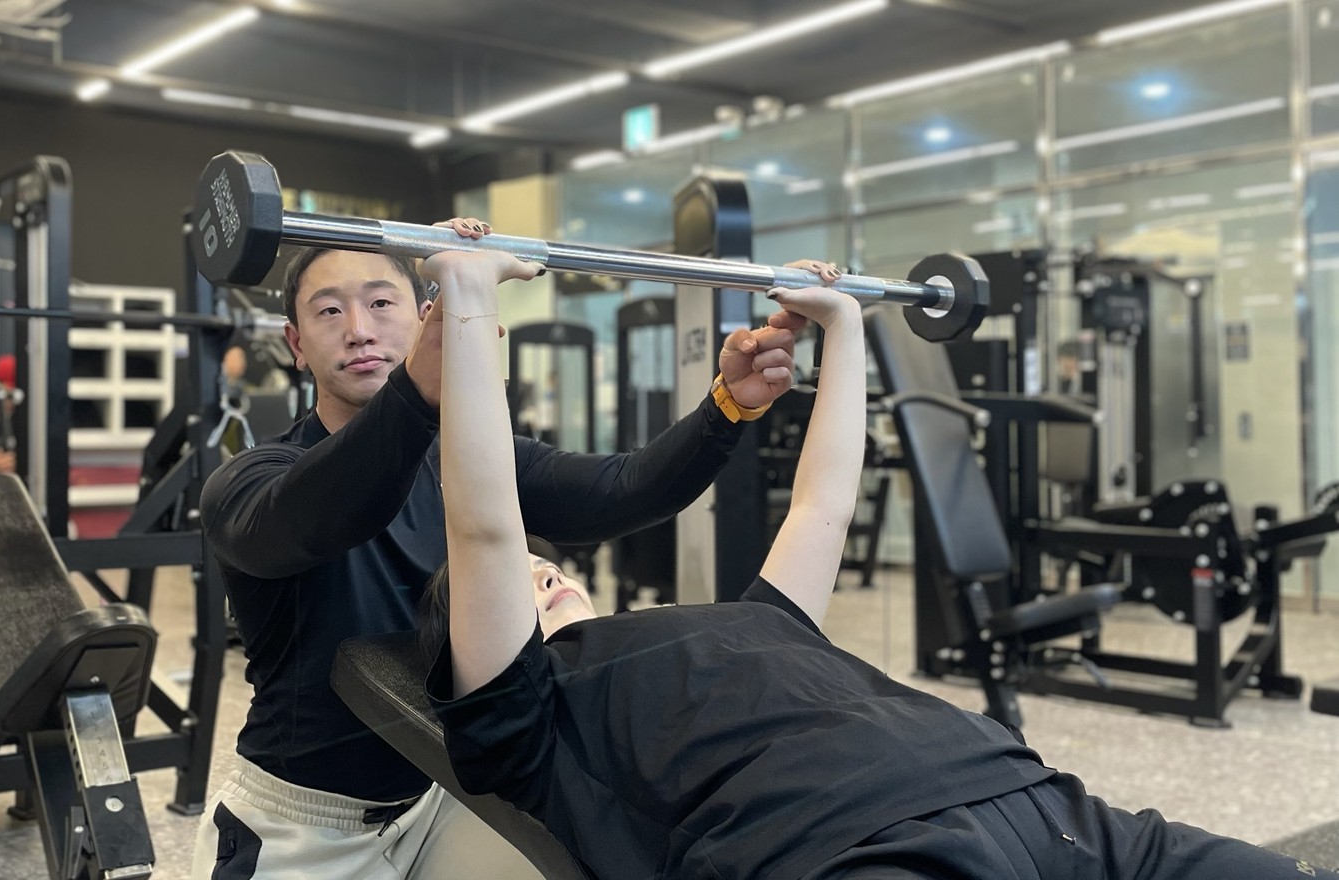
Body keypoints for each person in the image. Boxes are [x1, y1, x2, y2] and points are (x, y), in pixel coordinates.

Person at [420, 249, 1334, 880]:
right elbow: (486, 526)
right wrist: (468, 298)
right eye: (524, 586)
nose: (542, 571)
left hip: (1048, 805)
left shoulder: (757, 618)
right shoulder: (527, 712)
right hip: (859, 851)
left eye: (544, 563)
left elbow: (823, 501)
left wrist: (845, 325)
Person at [191, 218, 812, 879]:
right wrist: (422, 384)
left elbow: (623, 489)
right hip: (306, 825)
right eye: (329, 311)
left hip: (443, 795)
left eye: (380, 302)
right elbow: (329, 511)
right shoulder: (253, 482)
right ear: (295, 344)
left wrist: (727, 408)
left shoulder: (471, 464)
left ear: (424, 318)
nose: (359, 329)